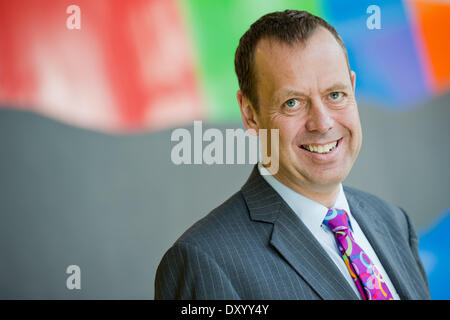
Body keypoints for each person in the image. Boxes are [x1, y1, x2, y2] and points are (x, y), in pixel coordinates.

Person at [154, 10, 430, 300]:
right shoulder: (205, 261)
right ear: (250, 115)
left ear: (352, 86)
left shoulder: (394, 223)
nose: (322, 123)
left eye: (335, 95)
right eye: (293, 102)